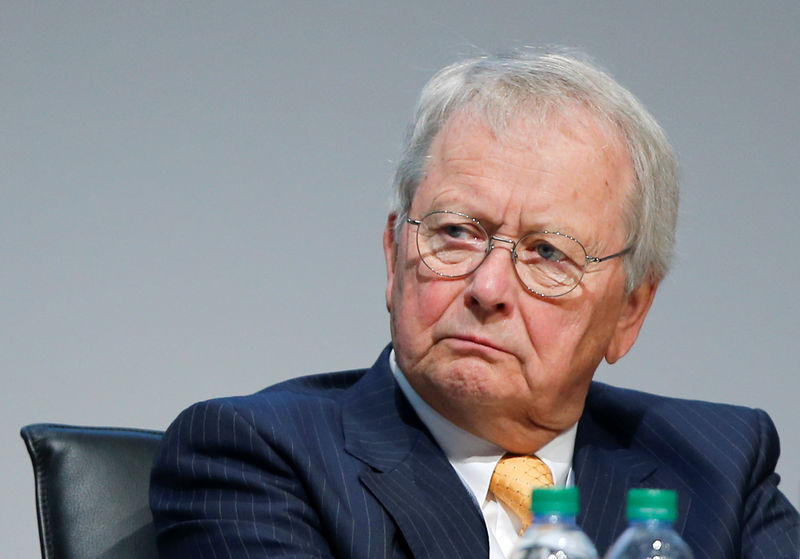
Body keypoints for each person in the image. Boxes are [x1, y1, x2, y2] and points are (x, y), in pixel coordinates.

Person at [149, 49, 799, 558]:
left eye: (549, 252)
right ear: (392, 253)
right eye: (455, 233)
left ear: (630, 310)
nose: (487, 289)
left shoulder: (718, 466)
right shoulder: (256, 456)